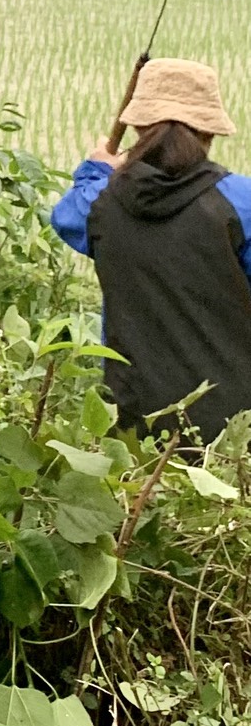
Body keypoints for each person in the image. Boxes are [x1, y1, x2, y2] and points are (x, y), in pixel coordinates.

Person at [51, 57, 251, 444]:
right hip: (237, 427)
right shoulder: (242, 202)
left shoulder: (100, 203)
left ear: (138, 127)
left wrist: (98, 168)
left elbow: (66, 216)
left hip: (135, 422)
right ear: (210, 131)